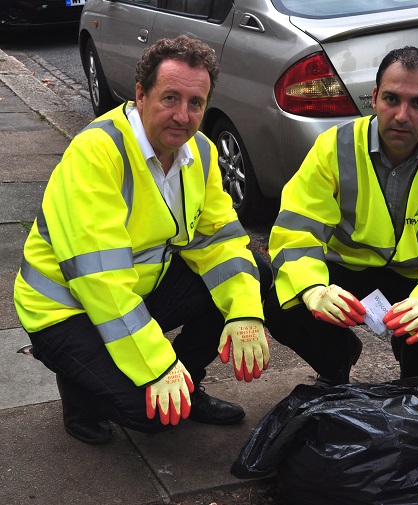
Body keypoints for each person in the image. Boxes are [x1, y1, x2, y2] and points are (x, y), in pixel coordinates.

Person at [13, 35, 271, 445]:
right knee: (151, 417)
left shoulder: (200, 152)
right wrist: (155, 363)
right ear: (140, 95)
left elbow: (219, 240)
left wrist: (244, 313)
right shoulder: (96, 153)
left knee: (255, 271)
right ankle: (79, 393)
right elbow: (100, 279)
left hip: (135, 290)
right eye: (170, 98)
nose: (183, 116)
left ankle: (187, 383)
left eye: (195, 103)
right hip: (65, 307)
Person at [264, 46, 418, 385]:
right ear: (374, 98)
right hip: (344, 271)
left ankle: (412, 380)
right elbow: (297, 233)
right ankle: (337, 359)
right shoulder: (332, 148)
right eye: (391, 99)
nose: (401, 115)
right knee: (281, 304)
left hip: (413, 280)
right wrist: (313, 290)